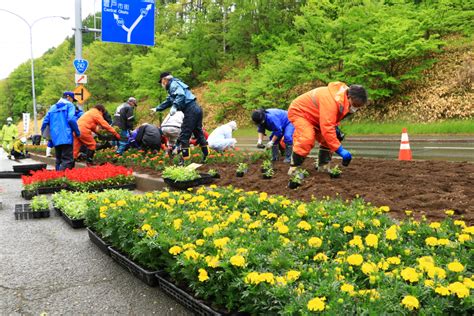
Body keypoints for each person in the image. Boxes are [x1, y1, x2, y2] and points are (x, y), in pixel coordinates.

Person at [287, 82, 368, 175]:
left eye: (358, 107)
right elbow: (327, 128)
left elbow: (331, 122)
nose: (355, 108)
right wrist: (340, 150)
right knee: (307, 137)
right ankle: (294, 168)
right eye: (355, 105)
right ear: (349, 97)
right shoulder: (332, 101)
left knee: (333, 137)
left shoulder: (342, 100)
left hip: (316, 116)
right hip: (301, 112)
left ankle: (323, 165)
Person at [151, 72, 208, 163]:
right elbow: (168, 101)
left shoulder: (173, 84)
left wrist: (175, 106)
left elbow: (181, 95)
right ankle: (207, 156)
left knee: (184, 135)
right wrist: (157, 108)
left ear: (165, 80)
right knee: (199, 134)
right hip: (196, 109)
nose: (162, 84)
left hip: (190, 110)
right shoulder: (174, 86)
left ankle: (184, 161)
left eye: (161, 81)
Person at [41, 91, 81, 170]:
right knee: (67, 160)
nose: (73, 101)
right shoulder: (70, 105)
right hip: (66, 136)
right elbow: (71, 119)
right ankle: (62, 178)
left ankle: (57, 179)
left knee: (58, 160)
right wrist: (77, 132)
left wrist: (45, 135)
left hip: (55, 138)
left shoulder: (52, 107)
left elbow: (45, 122)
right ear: (68, 97)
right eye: (72, 99)